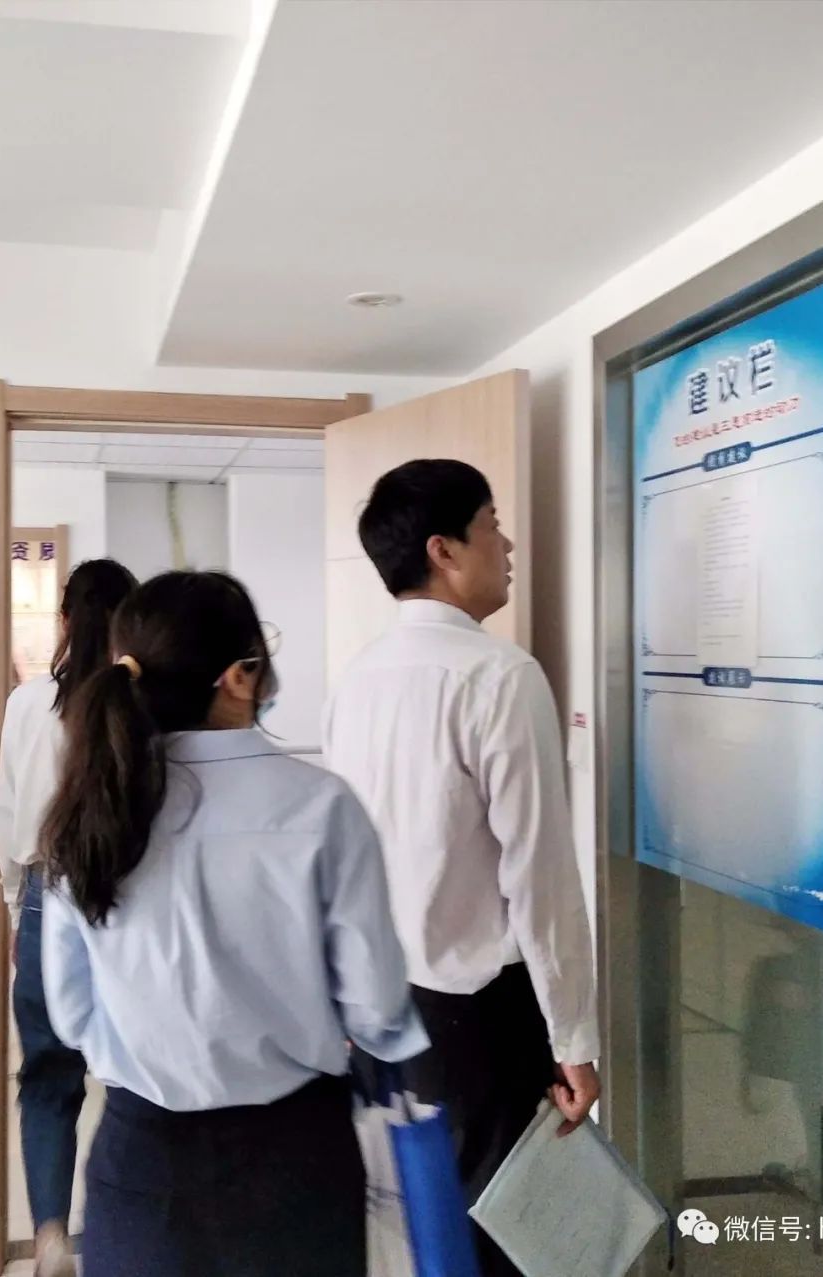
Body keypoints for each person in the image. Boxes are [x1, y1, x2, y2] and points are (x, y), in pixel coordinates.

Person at [39, 570, 427, 1277]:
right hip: (295, 1157)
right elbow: (375, 1007)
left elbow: (72, 1014)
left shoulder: (88, 814)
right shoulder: (321, 806)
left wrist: (151, 1050)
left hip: (141, 1157)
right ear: (240, 677)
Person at [324, 459, 601, 1276]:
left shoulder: (357, 678)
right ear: (443, 550)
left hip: (382, 1007)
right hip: (477, 1016)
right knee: (508, 1230)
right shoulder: (499, 676)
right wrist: (575, 1038)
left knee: (420, 1225)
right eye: (491, 524)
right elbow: (540, 875)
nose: (506, 545)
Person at [0, 557, 137, 1277]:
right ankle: (121, 1230)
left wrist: (12, 909)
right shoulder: (138, 705)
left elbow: (7, 815)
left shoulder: (27, 704)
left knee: (48, 1080)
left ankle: (50, 1234)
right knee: (134, 1079)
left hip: (41, 895)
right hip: (121, 899)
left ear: (63, 620)